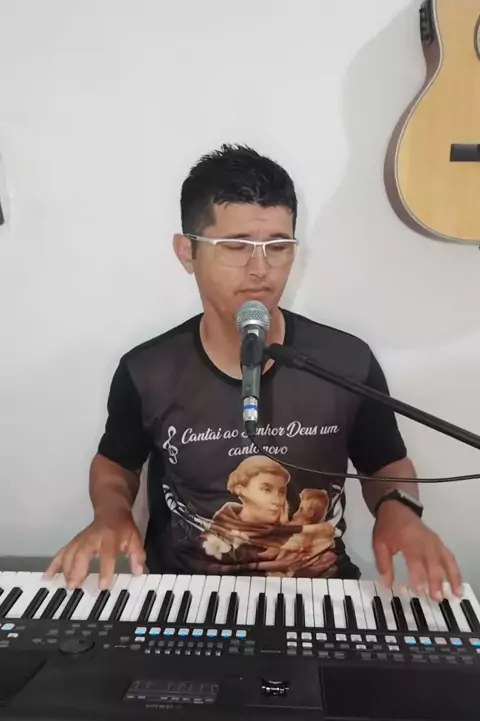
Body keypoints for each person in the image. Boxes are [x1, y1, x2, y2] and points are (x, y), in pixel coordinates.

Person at [46, 143, 461, 600]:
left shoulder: (346, 361)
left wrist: (399, 510)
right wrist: (111, 515)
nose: (260, 269)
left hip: (320, 597)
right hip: (187, 597)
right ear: (187, 252)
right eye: (236, 246)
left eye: (278, 247)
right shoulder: (147, 371)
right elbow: (116, 464)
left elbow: (386, 463)